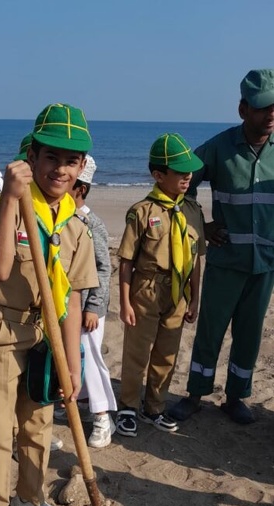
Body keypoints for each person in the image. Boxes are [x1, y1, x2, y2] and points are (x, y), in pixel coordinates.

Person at [0, 103, 98, 506]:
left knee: (38, 425)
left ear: (81, 167)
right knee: (0, 426)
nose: (60, 169)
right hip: (5, 331)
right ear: (33, 157)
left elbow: (74, 298)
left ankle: (29, 497)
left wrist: (73, 364)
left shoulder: (75, 227)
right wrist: (8, 198)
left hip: (47, 340)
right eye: (51, 158)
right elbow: (1, 269)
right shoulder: (8, 207)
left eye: (71, 161)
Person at [170, 69, 274, 426]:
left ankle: (235, 397)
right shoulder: (218, 147)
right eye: (263, 107)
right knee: (211, 329)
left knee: (249, 333)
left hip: (265, 265)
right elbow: (181, 184)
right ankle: (195, 394)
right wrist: (203, 225)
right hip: (226, 261)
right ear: (243, 109)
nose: (270, 114)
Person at [115, 133, 205, 438]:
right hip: (147, 288)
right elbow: (126, 261)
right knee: (137, 351)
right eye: (180, 172)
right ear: (158, 175)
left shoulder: (193, 211)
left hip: (179, 292)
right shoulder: (142, 212)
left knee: (167, 353)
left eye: (189, 170)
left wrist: (194, 299)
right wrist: (125, 302)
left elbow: (196, 259)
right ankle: (127, 406)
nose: (188, 176)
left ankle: (154, 406)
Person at [67, 155, 117, 447]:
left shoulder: (90, 222)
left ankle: (102, 416)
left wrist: (94, 307)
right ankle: (85, 404)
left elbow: (103, 267)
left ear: (81, 188)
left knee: (92, 358)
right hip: (67, 307)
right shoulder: (59, 217)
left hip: (88, 309)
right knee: (76, 359)